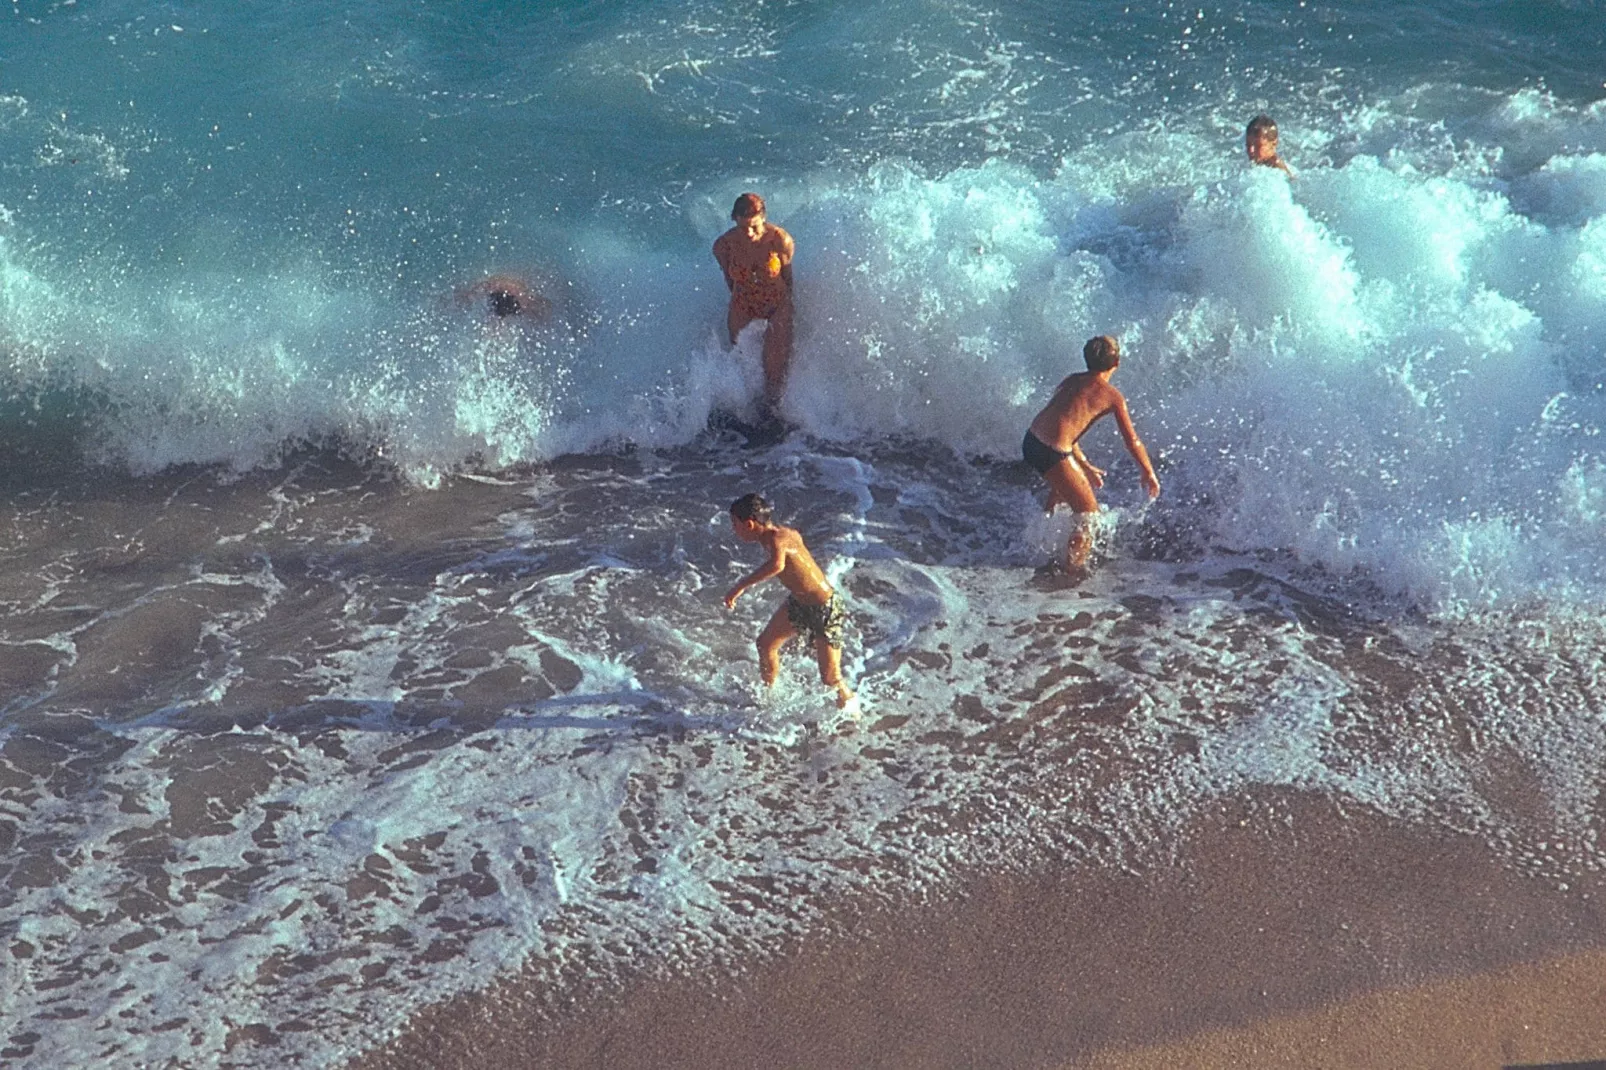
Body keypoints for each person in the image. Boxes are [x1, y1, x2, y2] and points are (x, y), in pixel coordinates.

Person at [1023, 335, 1161, 572]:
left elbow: (1063, 425)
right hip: (1051, 452)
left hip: (1031, 442)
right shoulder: (1112, 396)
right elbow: (1133, 441)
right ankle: (1071, 572)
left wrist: (1084, 466)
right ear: (1116, 363)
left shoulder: (1070, 380)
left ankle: (1040, 544)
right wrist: (1148, 472)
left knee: (1062, 488)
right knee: (1089, 516)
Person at [723, 493, 854, 709]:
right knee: (765, 645)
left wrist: (739, 587)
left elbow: (777, 565)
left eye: (734, 524)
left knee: (831, 678)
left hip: (825, 607)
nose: (733, 529)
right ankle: (769, 697)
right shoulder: (779, 535)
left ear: (749, 524)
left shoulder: (777, 538)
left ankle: (853, 715)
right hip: (799, 603)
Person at [712, 193, 795, 410]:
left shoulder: (780, 239)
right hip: (744, 304)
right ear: (734, 220)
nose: (749, 233)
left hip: (777, 304)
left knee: (774, 366)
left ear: (763, 220)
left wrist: (788, 311)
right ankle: (746, 410)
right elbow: (729, 280)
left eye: (755, 227)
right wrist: (744, 300)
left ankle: (775, 411)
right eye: (743, 228)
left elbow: (788, 278)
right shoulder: (723, 246)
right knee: (741, 360)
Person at [454, 273, 552, 323]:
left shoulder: (522, 296)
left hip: (504, 300)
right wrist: (470, 294)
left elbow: (490, 283)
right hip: (503, 298)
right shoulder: (520, 292)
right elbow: (491, 283)